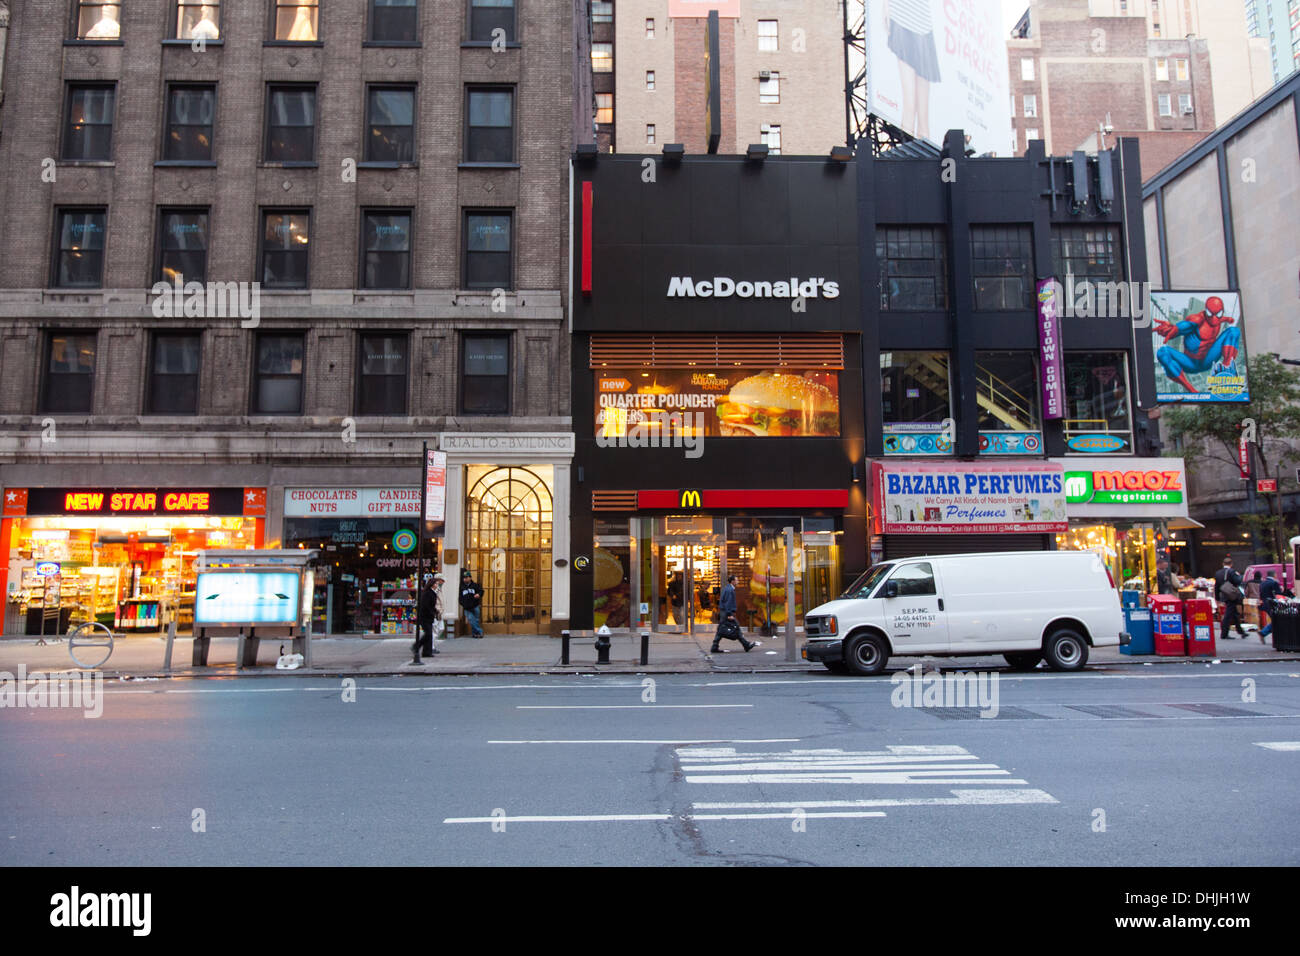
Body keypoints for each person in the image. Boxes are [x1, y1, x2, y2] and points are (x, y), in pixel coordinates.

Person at [711, 575, 757, 653]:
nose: (738, 581)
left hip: (724, 612)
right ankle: (746, 645)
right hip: (727, 613)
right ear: (732, 581)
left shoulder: (727, 589)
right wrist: (729, 614)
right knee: (736, 627)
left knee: (721, 629)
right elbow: (728, 603)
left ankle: (714, 646)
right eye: (736, 580)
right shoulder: (730, 590)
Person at [1214, 555, 1247, 640]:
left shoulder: (1218, 573)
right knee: (1228, 615)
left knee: (1234, 613)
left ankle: (1241, 632)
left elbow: (1216, 586)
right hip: (1231, 595)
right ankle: (1224, 633)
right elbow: (1238, 581)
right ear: (1231, 564)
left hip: (1224, 595)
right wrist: (1239, 576)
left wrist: (1217, 598)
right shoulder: (1232, 572)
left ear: (1223, 564)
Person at [1259, 570, 1294, 642]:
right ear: (1274, 575)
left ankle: (1264, 633)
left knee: (1276, 620)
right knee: (1278, 620)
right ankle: (1264, 633)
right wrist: (1287, 598)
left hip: (1264, 604)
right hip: (1272, 604)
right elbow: (1278, 594)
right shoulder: (1274, 583)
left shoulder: (1263, 583)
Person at [414, 573, 442, 661]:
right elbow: (426, 605)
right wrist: (432, 612)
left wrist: (435, 611)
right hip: (425, 616)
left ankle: (426, 651)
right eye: (436, 584)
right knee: (428, 634)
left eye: (437, 584)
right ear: (432, 585)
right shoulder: (428, 593)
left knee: (428, 634)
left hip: (428, 616)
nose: (437, 585)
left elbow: (430, 605)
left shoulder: (432, 593)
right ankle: (418, 647)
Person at [459, 569, 484, 638]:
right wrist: (463, 604)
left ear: (470, 577)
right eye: (464, 578)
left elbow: (481, 591)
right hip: (467, 607)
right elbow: (460, 597)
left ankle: (475, 634)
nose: (465, 579)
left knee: (475, 620)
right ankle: (480, 631)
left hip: (475, 606)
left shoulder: (475, 585)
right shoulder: (461, 587)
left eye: (466, 577)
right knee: (471, 620)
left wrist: (478, 594)